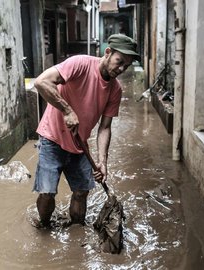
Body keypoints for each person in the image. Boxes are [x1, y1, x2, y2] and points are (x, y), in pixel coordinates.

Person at [32, 34, 140, 227]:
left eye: (127, 66)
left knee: (82, 192)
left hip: (79, 144)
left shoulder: (115, 90)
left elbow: (104, 128)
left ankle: (76, 232)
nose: (122, 69)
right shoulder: (80, 64)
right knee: (47, 192)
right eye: (119, 62)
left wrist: (102, 162)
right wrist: (67, 110)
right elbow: (41, 82)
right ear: (108, 53)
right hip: (52, 138)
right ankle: (44, 226)